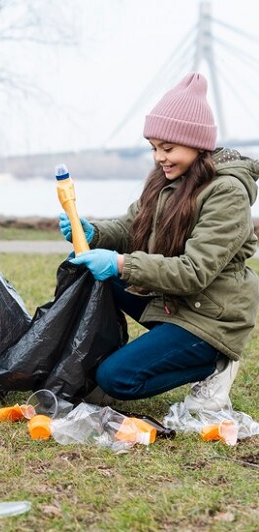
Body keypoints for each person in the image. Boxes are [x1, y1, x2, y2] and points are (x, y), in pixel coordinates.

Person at [61, 72, 259, 411]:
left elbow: (194, 272)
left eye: (168, 148)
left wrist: (121, 263)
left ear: (198, 145)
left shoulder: (227, 193)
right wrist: (93, 233)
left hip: (211, 316)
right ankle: (99, 356)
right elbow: (131, 225)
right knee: (89, 273)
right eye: (154, 148)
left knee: (116, 380)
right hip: (175, 301)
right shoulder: (166, 180)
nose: (159, 158)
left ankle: (214, 364)